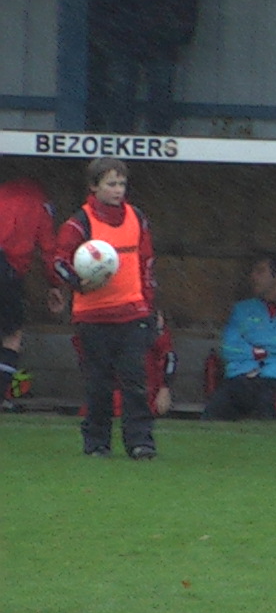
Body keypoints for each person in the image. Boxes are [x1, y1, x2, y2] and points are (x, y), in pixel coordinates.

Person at [53, 157, 161, 459]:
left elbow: (147, 263)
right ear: (94, 186)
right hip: (93, 316)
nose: (118, 190)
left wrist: (149, 304)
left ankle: (140, 442)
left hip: (132, 313)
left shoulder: (137, 218)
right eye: (111, 184)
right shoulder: (80, 222)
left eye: (122, 184)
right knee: (98, 384)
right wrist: (79, 283)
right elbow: (59, 261)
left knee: (135, 382)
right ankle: (97, 442)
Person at [86, 0, 198, 134]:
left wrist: (178, 30)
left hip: (153, 37)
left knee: (151, 91)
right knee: (126, 91)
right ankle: (131, 137)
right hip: (130, 37)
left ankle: (151, 138)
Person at [204, 253, 276, 420]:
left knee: (267, 405)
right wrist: (263, 352)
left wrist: (252, 341)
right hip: (242, 376)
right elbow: (229, 347)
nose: (253, 276)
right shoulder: (242, 309)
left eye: (260, 271)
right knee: (217, 407)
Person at [0, 178, 57, 410]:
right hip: (8, 270)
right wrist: (54, 283)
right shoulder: (40, 204)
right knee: (12, 335)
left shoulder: (3, 195)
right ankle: (1, 395)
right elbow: (48, 248)